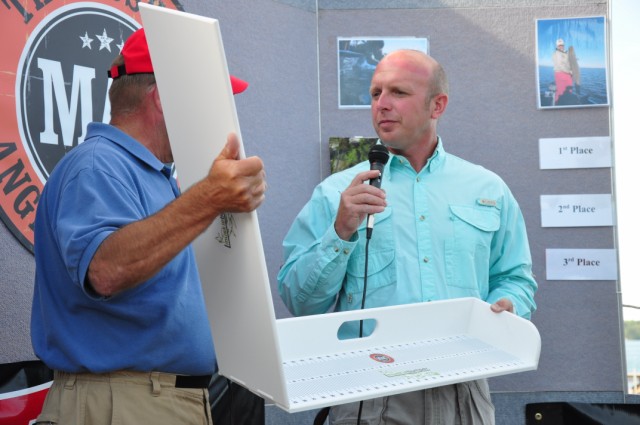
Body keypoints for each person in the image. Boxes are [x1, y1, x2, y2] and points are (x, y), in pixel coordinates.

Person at [277, 49, 537, 424]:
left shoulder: (488, 188)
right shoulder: (337, 193)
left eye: (398, 92)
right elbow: (300, 301)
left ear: (437, 105)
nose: (381, 104)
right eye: (375, 93)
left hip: (463, 391)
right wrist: (340, 230)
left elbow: (515, 278)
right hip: (371, 394)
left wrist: (508, 306)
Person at [30, 28, 266, 425]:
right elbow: (106, 269)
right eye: (207, 97)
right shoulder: (98, 164)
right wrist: (208, 197)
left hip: (158, 400)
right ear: (163, 98)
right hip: (122, 403)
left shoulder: (154, 174)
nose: (215, 114)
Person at [552, 38, 573, 103]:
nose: (561, 46)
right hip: (561, 73)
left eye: (562, 45)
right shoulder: (557, 53)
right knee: (560, 91)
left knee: (568, 91)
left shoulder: (565, 53)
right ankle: (558, 104)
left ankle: (566, 102)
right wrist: (570, 72)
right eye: (559, 45)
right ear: (557, 46)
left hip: (567, 74)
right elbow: (560, 65)